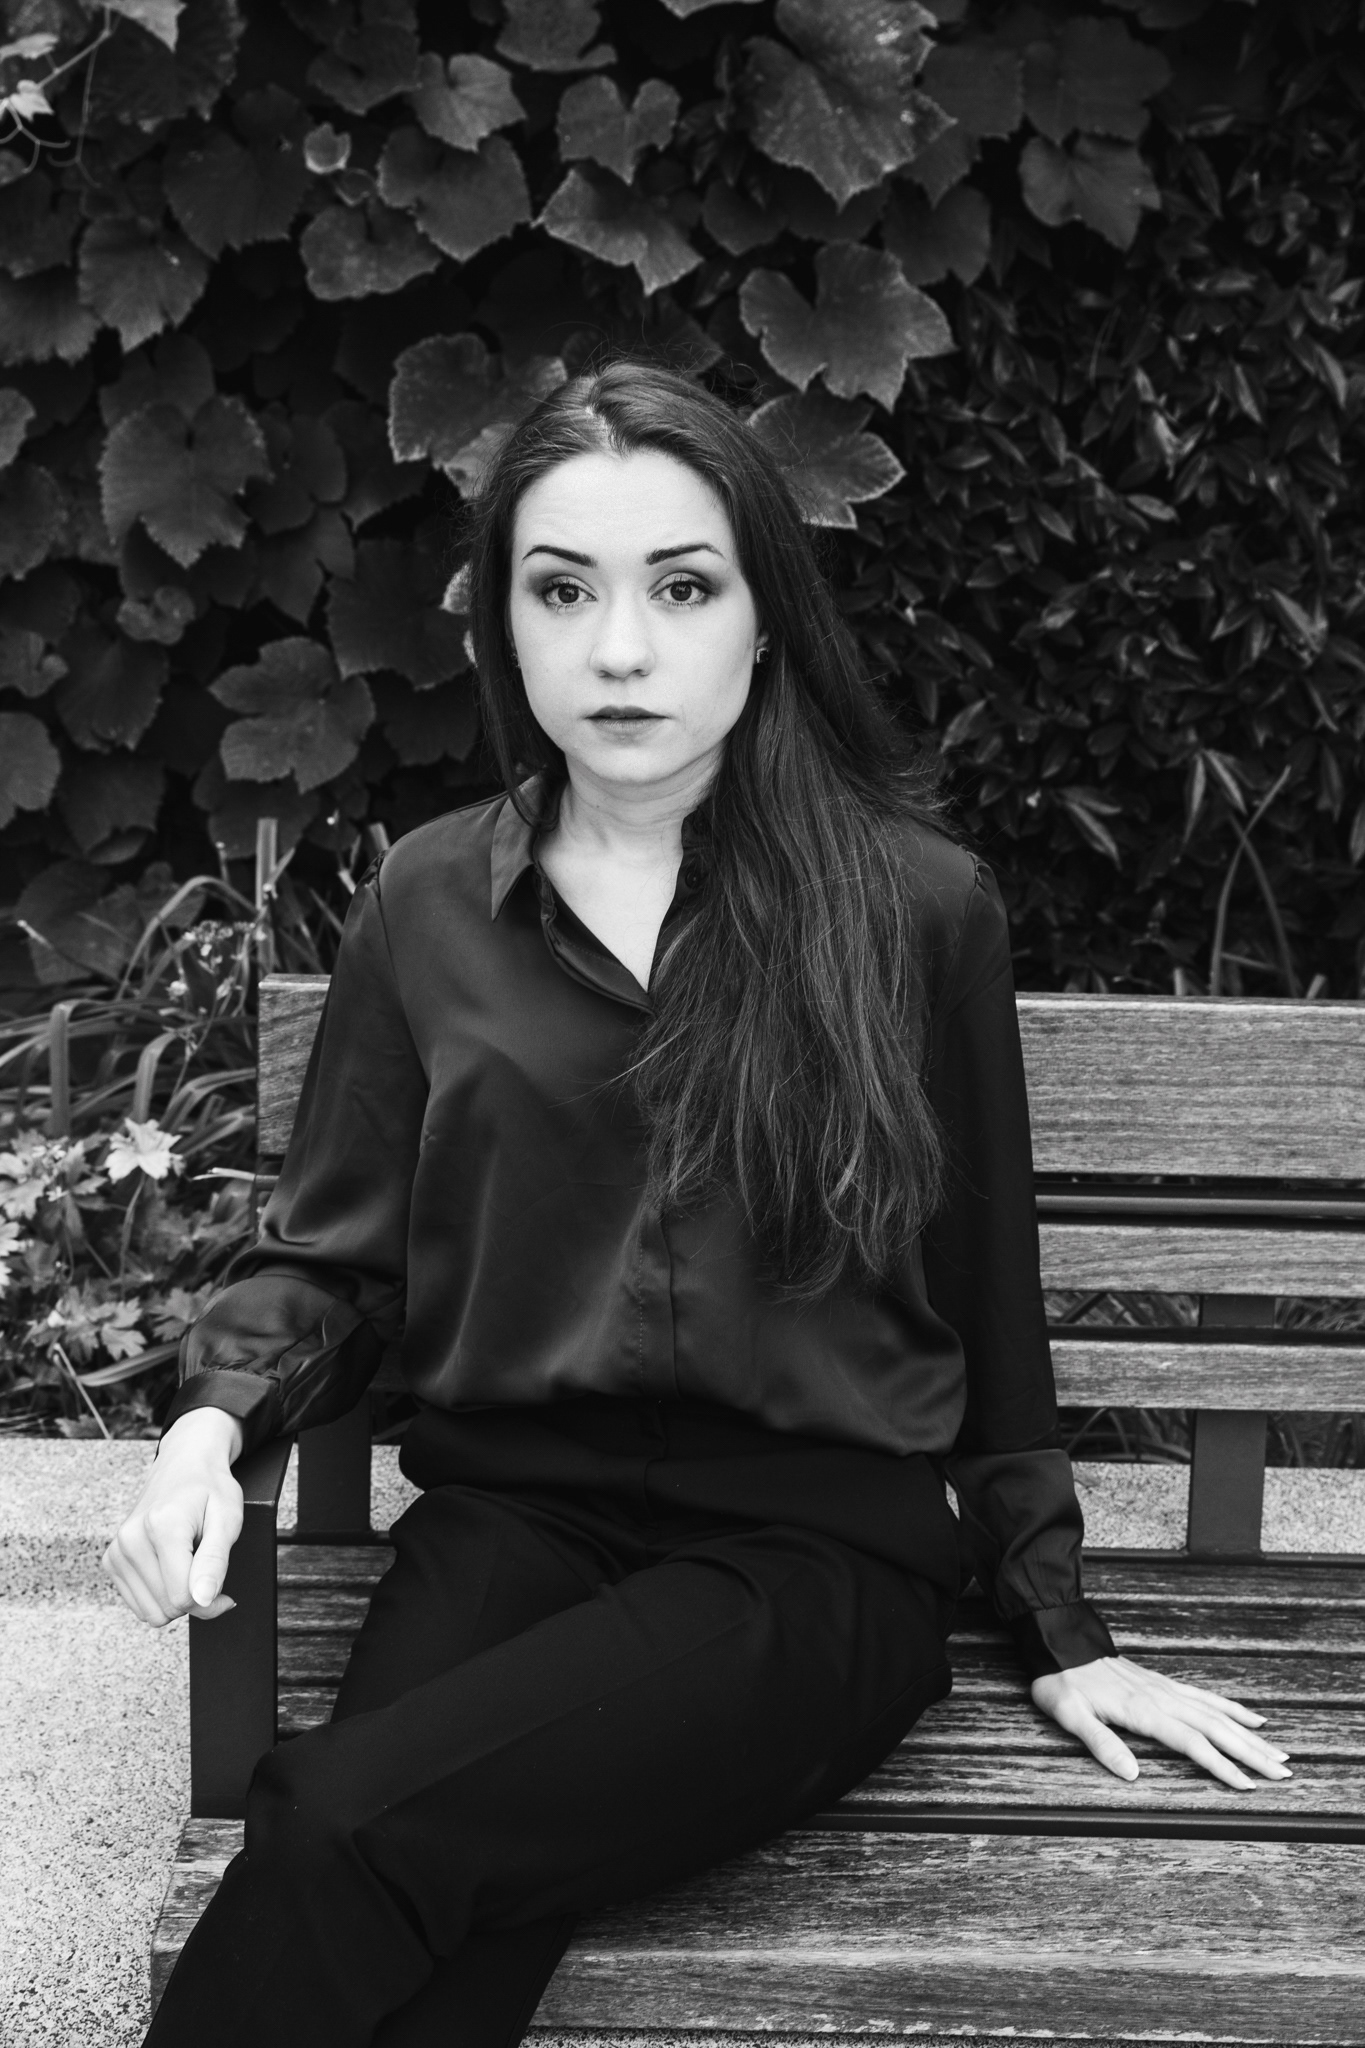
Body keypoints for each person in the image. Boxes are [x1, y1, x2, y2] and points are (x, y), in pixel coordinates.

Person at [107, 360, 1291, 2048]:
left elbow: (984, 1295)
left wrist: (1057, 1626)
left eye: (679, 588)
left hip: (812, 1557)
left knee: (339, 1820)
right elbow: (337, 1251)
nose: (619, 651)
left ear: (762, 617)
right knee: (421, 1913)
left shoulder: (913, 910)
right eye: (561, 590)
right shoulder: (428, 900)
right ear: (503, 627)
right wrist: (204, 1432)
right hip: (514, 1517)